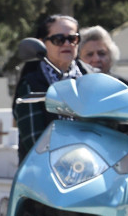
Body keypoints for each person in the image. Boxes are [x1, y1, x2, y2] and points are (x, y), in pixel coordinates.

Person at [14, 14, 92, 157]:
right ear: (41, 43)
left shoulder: (92, 79)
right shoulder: (31, 85)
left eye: (73, 38)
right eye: (58, 39)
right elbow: (35, 143)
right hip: (46, 172)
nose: (67, 44)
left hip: (93, 165)